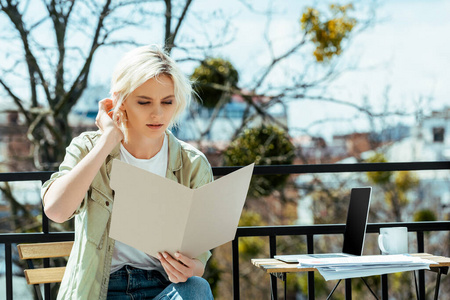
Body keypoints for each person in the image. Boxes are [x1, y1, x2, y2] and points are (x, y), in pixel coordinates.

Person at [41, 45, 215, 300]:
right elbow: (56, 210)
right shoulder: (89, 147)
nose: (158, 113)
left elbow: (199, 258)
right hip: (98, 290)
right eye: (144, 102)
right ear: (119, 101)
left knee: (198, 288)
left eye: (167, 102)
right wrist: (108, 139)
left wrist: (191, 268)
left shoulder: (192, 164)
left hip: (163, 289)